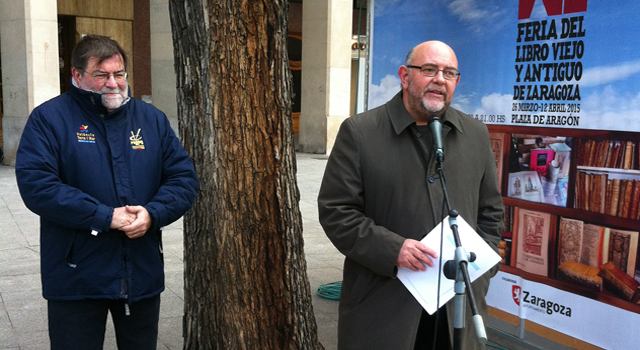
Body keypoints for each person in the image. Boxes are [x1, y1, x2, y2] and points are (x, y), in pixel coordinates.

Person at [15, 35, 199, 350]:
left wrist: (153, 214)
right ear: (76, 75)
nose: (113, 83)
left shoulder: (151, 119)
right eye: (101, 75)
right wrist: (104, 216)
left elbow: (183, 178)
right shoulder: (49, 119)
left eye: (119, 74)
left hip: (140, 273)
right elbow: (37, 185)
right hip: (76, 276)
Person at [318, 41, 504, 350]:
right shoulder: (360, 132)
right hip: (385, 308)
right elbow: (337, 212)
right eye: (429, 70)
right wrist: (394, 250)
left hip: (454, 309)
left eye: (449, 73)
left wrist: (479, 269)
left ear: (457, 81)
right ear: (405, 76)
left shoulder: (475, 134)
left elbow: (491, 211)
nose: (439, 80)